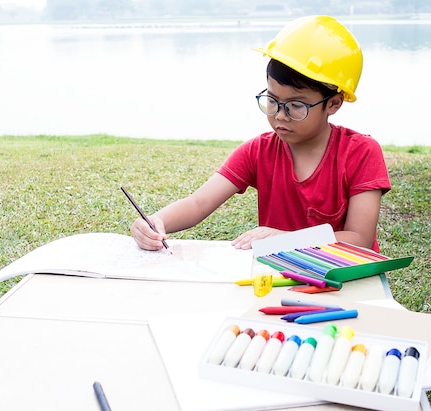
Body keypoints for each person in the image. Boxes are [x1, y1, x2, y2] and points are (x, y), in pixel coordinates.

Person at [130, 15, 391, 253]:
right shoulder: (259, 151)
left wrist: (286, 239)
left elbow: (359, 238)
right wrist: (156, 221)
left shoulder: (361, 152)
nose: (279, 115)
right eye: (273, 100)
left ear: (333, 104)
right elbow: (198, 203)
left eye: (296, 106)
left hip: (347, 277)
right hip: (282, 276)